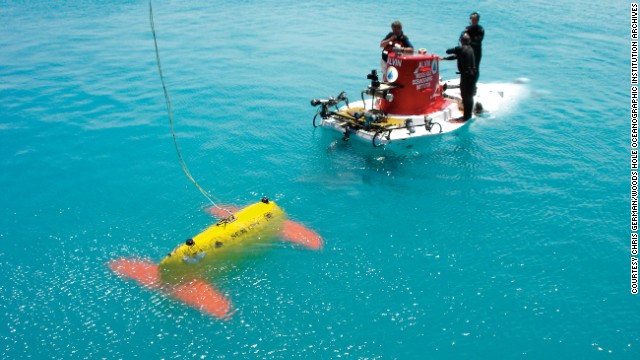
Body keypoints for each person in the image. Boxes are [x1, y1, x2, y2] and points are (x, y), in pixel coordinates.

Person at [442, 33, 476, 122]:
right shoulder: (470, 49)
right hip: (472, 75)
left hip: (466, 76)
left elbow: (448, 51)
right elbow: (455, 56)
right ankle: (468, 116)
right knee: (469, 96)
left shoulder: (460, 49)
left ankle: (466, 117)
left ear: (461, 41)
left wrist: (456, 48)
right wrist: (444, 59)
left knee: (465, 96)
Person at [462, 12, 484, 89]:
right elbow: (461, 38)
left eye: (475, 20)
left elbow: (478, 40)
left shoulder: (480, 29)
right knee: (465, 67)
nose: (473, 21)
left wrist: (468, 40)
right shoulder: (467, 29)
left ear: (477, 20)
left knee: (475, 68)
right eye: (472, 19)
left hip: (476, 51)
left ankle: (473, 84)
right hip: (468, 51)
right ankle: (466, 82)